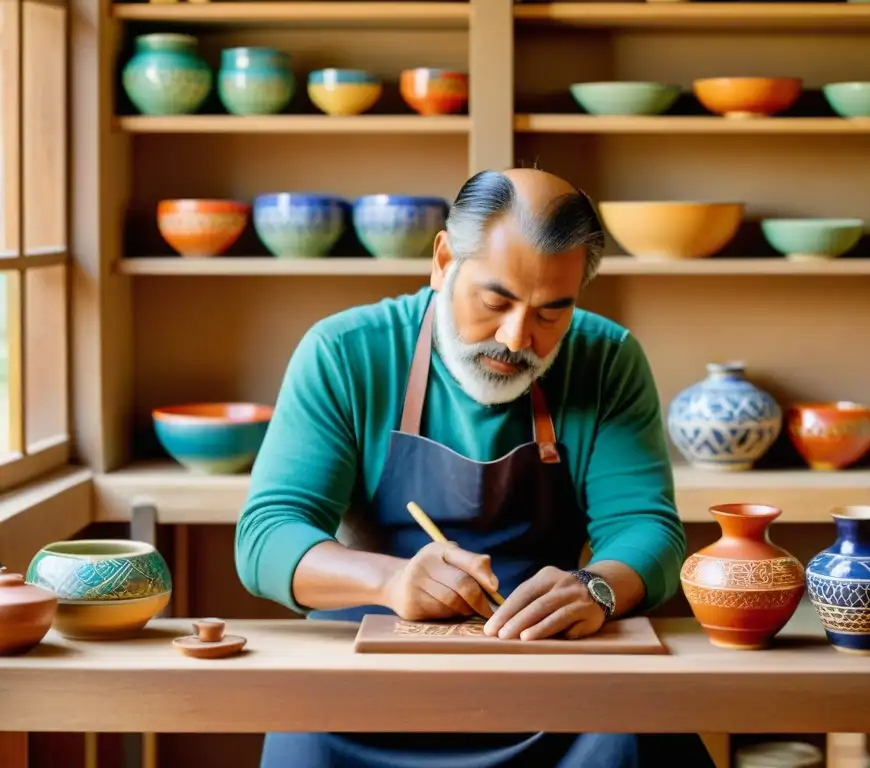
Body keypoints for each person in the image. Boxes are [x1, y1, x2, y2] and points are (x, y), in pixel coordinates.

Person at [234, 167, 716, 767]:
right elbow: (265, 537)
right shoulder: (346, 351)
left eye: (551, 313)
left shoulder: (607, 359)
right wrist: (389, 582)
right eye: (497, 301)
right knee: (303, 739)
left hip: (551, 666)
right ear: (443, 260)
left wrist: (597, 587)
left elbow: (650, 530)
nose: (517, 339)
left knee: (632, 739)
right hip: (370, 674)